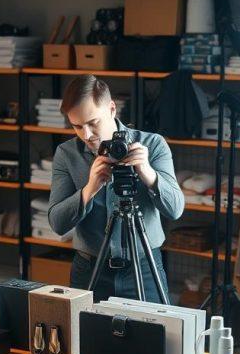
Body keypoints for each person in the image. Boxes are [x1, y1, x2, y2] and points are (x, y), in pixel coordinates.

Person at [48, 74, 184, 301]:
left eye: (93, 123)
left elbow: (175, 209)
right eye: (77, 126)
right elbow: (57, 224)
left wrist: (148, 173)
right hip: (89, 268)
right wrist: (89, 190)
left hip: (144, 267)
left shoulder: (152, 145)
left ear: (112, 109)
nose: (86, 135)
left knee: (153, 325)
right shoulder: (66, 154)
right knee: (85, 326)